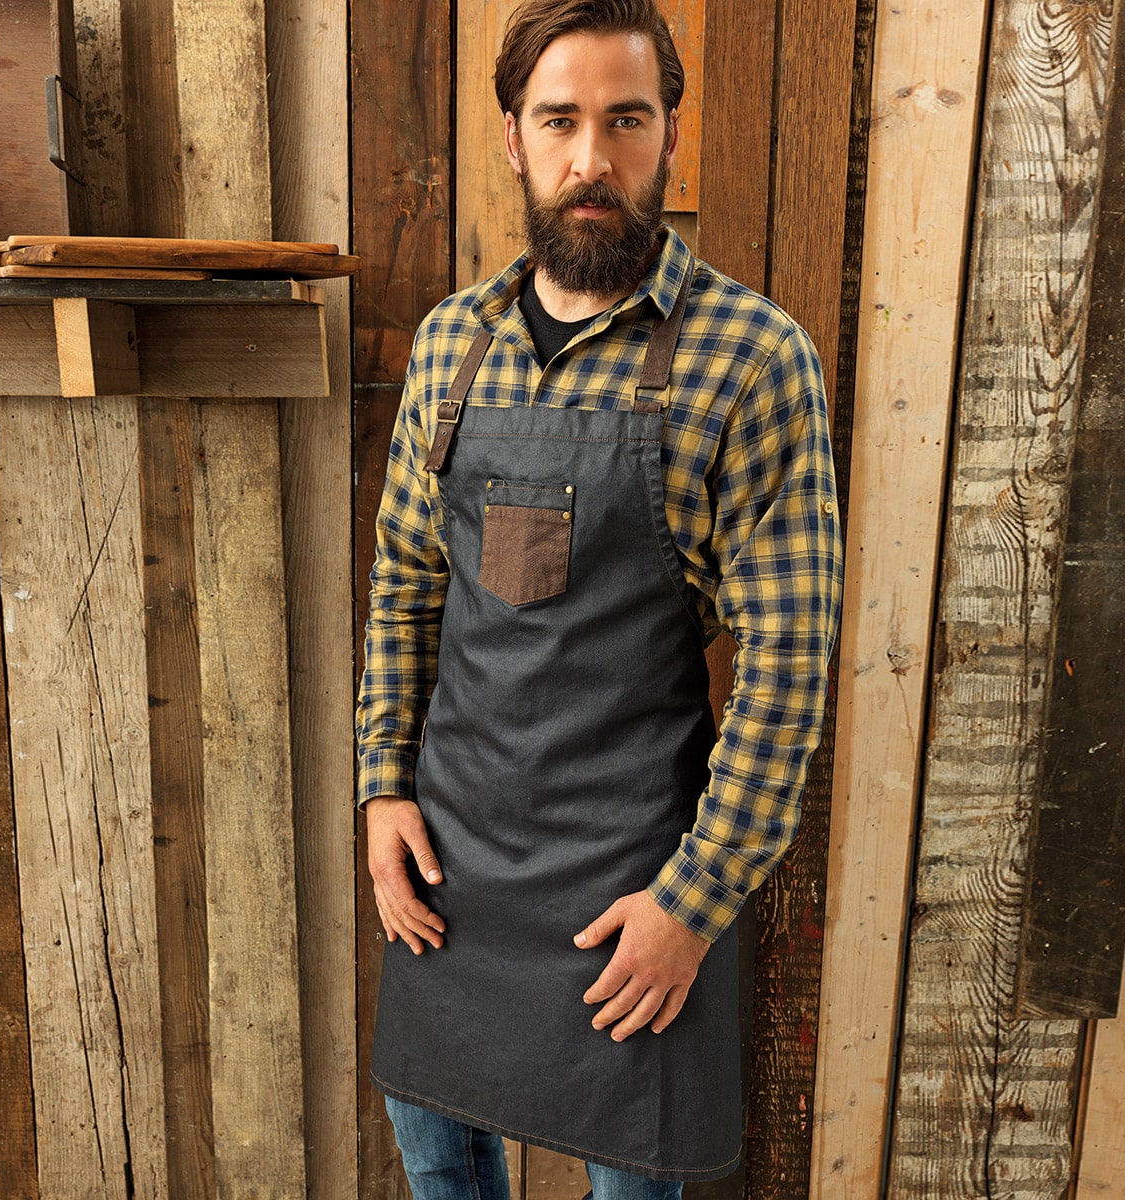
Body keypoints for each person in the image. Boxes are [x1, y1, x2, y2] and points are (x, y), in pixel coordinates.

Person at [356, 0, 843, 1195]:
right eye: (559, 120)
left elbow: (787, 670)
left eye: (626, 120)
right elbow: (407, 586)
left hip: (632, 884)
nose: (592, 159)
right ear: (513, 137)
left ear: (670, 132)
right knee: (439, 1171)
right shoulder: (453, 346)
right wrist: (381, 788)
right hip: (451, 869)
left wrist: (694, 902)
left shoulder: (751, 357)